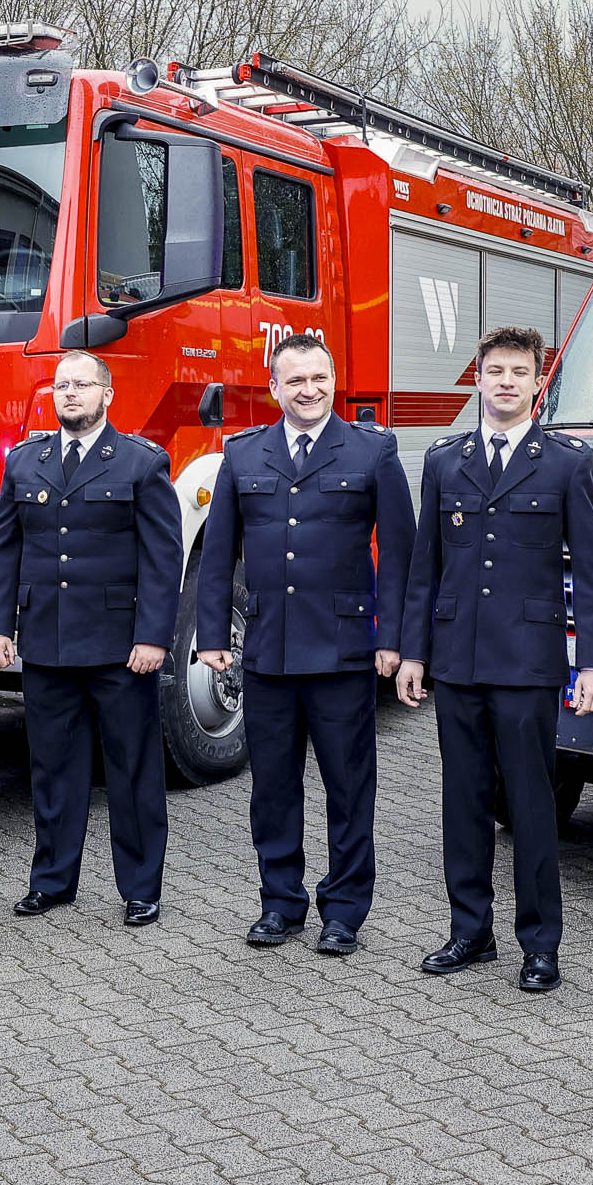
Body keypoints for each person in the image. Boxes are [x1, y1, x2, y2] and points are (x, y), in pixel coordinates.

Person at [398, 327, 593, 994]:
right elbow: (423, 567)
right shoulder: (443, 460)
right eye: (495, 370)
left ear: (537, 382)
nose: (506, 382)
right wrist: (413, 653)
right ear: (479, 378)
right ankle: (471, 930)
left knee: (529, 806)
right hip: (457, 660)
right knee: (462, 801)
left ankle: (539, 943)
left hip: (527, 661)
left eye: (520, 371)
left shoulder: (566, 462)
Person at [197, 335, 414, 957]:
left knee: (348, 788)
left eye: (319, 377)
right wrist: (211, 634)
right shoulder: (242, 455)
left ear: (334, 379)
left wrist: (392, 639)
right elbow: (217, 556)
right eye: (295, 381)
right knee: (271, 789)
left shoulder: (372, 451)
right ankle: (280, 903)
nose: (309, 390)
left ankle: (343, 910)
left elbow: (400, 555)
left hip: (345, 651)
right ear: (275, 388)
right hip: (268, 651)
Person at [0, 351, 182, 926]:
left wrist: (154, 637)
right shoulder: (25, 461)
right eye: (62, 386)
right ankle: (52, 881)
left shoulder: (142, 464)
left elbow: (163, 560)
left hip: (121, 648)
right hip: (47, 643)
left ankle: (141, 887)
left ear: (107, 394)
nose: (70, 394)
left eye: (82, 385)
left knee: (132, 771)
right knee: (53, 770)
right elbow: (4, 551)